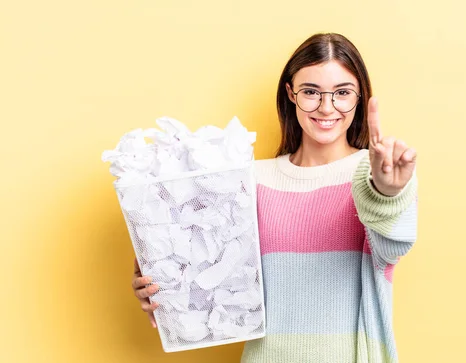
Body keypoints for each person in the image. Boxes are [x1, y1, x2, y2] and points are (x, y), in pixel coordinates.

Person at [131, 32, 418, 362]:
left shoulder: (381, 172)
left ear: (360, 97)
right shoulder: (249, 180)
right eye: (311, 92)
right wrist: (158, 280)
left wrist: (387, 193)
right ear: (291, 94)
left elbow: (393, 246)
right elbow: (203, 271)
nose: (327, 107)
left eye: (342, 93)